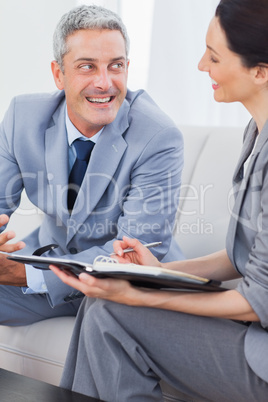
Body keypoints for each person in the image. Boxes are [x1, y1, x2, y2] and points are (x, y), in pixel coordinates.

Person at [50, 0, 268, 401]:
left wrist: (143, 294)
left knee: (112, 310)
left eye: (214, 56)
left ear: (259, 71)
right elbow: (247, 254)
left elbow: (260, 300)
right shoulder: (256, 135)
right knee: (102, 306)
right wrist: (159, 272)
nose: (202, 65)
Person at [0, 5, 184, 326]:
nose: (105, 83)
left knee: (110, 312)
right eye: (87, 66)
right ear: (59, 74)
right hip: (50, 260)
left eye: (116, 66)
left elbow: (130, 256)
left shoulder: (158, 136)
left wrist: (25, 274)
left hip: (125, 284)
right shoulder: (22, 117)